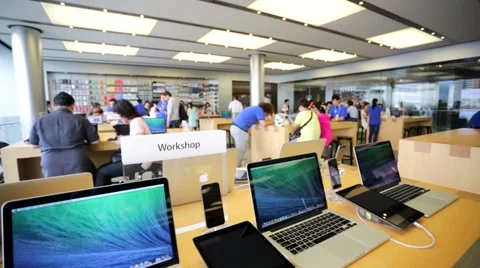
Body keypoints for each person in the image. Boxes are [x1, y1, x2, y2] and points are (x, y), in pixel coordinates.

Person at [29, 92, 99, 178]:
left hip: (50, 162)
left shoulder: (39, 120)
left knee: (56, 188)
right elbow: (95, 141)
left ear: (53, 106)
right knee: (82, 187)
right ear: (73, 106)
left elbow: (33, 145)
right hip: (77, 161)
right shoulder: (81, 120)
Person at [95, 100, 152, 186]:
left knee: (101, 173)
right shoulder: (138, 120)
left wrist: (122, 142)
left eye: (120, 115)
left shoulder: (136, 122)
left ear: (124, 113)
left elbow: (140, 145)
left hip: (140, 162)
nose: (120, 118)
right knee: (102, 169)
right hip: (138, 159)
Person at [231, 102, 274, 167]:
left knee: (250, 146)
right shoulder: (259, 110)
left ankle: (248, 164)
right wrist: (273, 121)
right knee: (241, 149)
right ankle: (237, 169)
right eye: (267, 114)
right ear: (266, 111)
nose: (265, 116)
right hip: (240, 130)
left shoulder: (255, 109)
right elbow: (263, 124)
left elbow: (258, 122)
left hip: (237, 128)